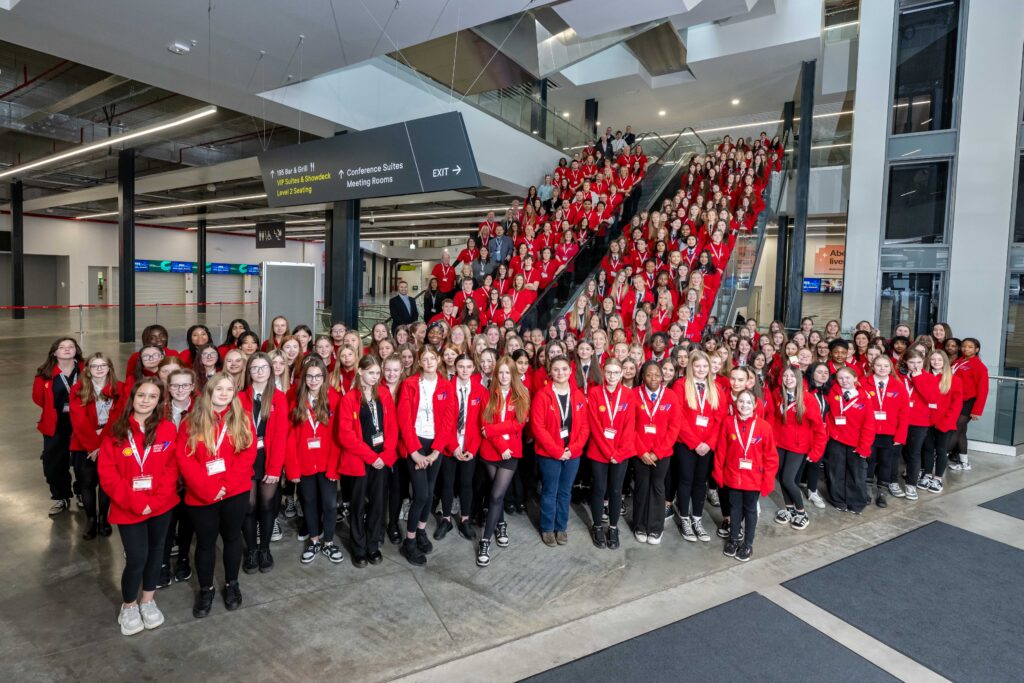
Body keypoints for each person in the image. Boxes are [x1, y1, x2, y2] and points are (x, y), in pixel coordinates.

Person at [97, 377, 179, 636]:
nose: (146, 400)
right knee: (136, 558)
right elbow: (108, 474)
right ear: (132, 397)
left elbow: (171, 468)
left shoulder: (167, 429)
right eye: (142, 395)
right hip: (127, 506)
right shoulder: (116, 430)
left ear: (159, 401)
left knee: (156, 553)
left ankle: (148, 600)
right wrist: (137, 502)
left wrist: (154, 501)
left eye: (152, 396)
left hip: (161, 505)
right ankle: (129, 605)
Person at [176, 372, 257, 618]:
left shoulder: (242, 419)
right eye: (219, 389)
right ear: (209, 392)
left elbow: (247, 454)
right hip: (202, 494)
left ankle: (232, 584)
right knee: (205, 543)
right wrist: (208, 488)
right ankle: (206, 589)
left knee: (232, 538)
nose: (224, 393)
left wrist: (226, 485)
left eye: (229, 390)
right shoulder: (190, 422)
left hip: (235, 492)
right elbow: (184, 458)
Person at [397, 346, 457, 566]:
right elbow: (403, 420)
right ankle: (409, 542)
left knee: (430, 491)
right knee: (420, 495)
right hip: (415, 442)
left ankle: (421, 531)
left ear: (438, 359)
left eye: (433, 358)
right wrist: (414, 452)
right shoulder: (409, 384)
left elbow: (449, 420)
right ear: (419, 362)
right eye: (425, 358)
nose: (430, 361)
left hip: (435, 444)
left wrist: (437, 450)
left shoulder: (446, 386)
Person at [337, 355, 399, 568]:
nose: (375, 377)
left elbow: (392, 426)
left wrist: (386, 455)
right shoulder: (349, 399)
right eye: (371, 373)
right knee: (357, 506)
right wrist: (372, 457)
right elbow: (346, 436)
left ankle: (373, 545)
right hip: (360, 460)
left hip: (382, 459)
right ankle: (359, 547)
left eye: (377, 373)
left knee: (378, 504)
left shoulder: (383, 393)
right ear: (360, 372)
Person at [285, 359, 345, 565]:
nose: (313, 380)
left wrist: (333, 466)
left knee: (329, 504)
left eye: (317, 376)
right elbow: (290, 438)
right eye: (309, 376)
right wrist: (292, 468)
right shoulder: (296, 400)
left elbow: (339, 436)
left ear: (324, 378)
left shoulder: (334, 399)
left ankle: (328, 542)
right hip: (304, 464)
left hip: (327, 464)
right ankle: (314, 540)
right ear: (304, 378)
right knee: (308, 503)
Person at [476, 356, 529, 567]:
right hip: (491, 451)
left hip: (511, 454)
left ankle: (485, 541)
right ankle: (501, 523)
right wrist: (500, 443)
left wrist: (491, 431)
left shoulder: (522, 394)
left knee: (497, 495)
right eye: (501, 372)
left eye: (508, 372)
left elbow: (518, 424)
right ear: (496, 374)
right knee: (494, 494)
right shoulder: (488, 394)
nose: (504, 376)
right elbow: (484, 422)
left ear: (513, 374)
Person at [532, 356, 590, 547]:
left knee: (565, 492)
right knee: (550, 491)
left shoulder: (578, 396)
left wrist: (572, 449)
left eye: (564, 369)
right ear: (550, 372)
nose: (560, 373)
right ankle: (547, 528)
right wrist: (557, 451)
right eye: (556, 369)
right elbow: (538, 427)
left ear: (570, 371)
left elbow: (585, 428)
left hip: (572, 454)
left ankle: (561, 527)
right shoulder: (542, 395)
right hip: (550, 454)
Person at [238, 353, 289, 574]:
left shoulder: (279, 397)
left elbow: (280, 435)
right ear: (248, 372)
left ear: (271, 371)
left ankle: (265, 549)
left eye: (263, 368)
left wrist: (275, 468)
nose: (259, 372)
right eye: (255, 368)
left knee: (267, 505)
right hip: (246, 460)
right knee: (248, 507)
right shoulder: (239, 397)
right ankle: (251, 550)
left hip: (269, 458)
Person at [714, 389, 778, 562]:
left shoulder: (763, 427)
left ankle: (748, 544)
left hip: (754, 479)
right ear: (736, 403)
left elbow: (771, 457)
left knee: (750, 511)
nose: (744, 405)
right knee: (734, 509)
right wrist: (719, 474)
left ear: (755, 405)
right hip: (733, 477)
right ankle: (733, 539)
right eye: (741, 401)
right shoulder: (728, 423)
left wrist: (767, 482)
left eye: (748, 402)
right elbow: (721, 451)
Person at [69, 352, 120, 539]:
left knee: (106, 484)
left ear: (109, 368)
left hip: (110, 442)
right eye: (94, 366)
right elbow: (79, 420)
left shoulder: (119, 388)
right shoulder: (77, 389)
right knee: (87, 483)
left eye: (103, 365)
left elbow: (118, 418)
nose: (99, 369)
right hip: (84, 443)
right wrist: (92, 446)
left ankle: (103, 518)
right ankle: (90, 519)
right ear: (88, 370)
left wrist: (102, 446)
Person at [673, 350, 723, 543]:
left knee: (700, 482)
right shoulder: (680, 386)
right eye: (697, 366)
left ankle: (697, 519)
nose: (701, 369)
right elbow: (679, 418)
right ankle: (685, 518)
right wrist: (695, 443)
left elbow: (719, 419)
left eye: (705, 366)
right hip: (686, 444)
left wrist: (708, 443)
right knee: (686, 480)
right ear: (690, 367)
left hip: (707, 445)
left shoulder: (716, 388)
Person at [586, 359, 636, 549]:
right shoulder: (595, 393)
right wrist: (609, 452)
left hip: (621, 453)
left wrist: (619, 452)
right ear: (603, 373)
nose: (612, 376)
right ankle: (598, 526)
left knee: (616, 490)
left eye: (616, 372)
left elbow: (629, 426)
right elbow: (595, 426)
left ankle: (613, 527)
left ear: (622, 373)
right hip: (599, 451)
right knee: (599, 489)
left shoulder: (629, 395)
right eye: (609, 372)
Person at [631, 361, 682, 545]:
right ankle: (640, 525)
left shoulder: (670, 396)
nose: (653, 378)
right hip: (640, 453)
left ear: (662, 377)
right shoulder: (634, 395)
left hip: (662, 453)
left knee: (658, 488)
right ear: (642, 376)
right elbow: (630, 426)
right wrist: (642, 451)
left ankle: (655, 528)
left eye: (657, 375)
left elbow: (674, 427)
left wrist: (658, 453)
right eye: (649, 374)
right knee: (642, 487)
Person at [436, 354, 484, 544]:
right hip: (450, 445)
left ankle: (465, 519)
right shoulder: (446, 389)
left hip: (469, 446)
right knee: (447, 482)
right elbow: (442, 422)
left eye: (468, 366)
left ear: (474, 368)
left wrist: (472, 448)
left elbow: (481, 422)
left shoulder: (480, 391)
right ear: (455, 368)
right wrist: (453, 446)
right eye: (461, 366)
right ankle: (446, 518)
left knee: (466, 483)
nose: (464, 370)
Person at [769, 367, 826, 530]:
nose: (788, 379)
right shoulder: (777, 395)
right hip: (780, 444)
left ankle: (801, 512)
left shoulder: (807, 399)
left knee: (789, 479)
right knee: (781, 478)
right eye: (785, 375)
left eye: (792, 376)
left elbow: (819, 429)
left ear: (799, 379)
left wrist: (816, 452)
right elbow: (775, 420)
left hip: (798, 446)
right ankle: (789, 509)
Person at [33, 336, 83, 516]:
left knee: (82, 463)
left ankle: (81, 492)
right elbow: (38, 398)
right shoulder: (44, 374)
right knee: (53, 463)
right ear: (55, 352)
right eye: (62, 347)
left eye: (71, 346)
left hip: (81, 425)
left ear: (76, 350)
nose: (67, 349)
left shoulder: (86, 370)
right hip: (55, 425)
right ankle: (60, 496)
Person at [823, 367, 876, 514]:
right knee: (835, 472)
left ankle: (856, 502)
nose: (844, 381)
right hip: (836, 440)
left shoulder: (864, 397)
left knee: (856, 474)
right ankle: (838, 500)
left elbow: (869, 424)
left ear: (855, 378)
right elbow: (827, 414)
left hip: (856, 442)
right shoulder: (833, 392)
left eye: (847, 378)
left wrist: (864, 446)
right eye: (840, 378)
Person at [866, 356, 909, 508]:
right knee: (869, 461)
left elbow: (904, 414)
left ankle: (882, 491)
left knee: (886, 463)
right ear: (873, 366)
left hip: (890, 433)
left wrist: (900, 435)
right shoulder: (863, 384)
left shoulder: (898, 386)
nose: (882, 368)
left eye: (886, 366)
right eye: (878, 365)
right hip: (869, 432)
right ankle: (867, 489)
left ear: (891, 368)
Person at [920, 350, 963, 494]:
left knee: (941, 450)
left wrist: (945, 422)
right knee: (927, 450)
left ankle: (937, 478)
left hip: (944, 422)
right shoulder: (924, 377)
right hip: (926, 421)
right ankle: (926, 475)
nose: (936, 362)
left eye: (939, 360)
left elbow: (956, 405)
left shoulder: (953, 380)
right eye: (933, 360)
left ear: (944, 361)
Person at [948, 337, 988, 472]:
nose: (966, 349)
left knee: (954, 429)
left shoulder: (978, 366)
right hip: (956, 401)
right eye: (964, 346)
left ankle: (940, 456)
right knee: (961, 432)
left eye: (970, 347)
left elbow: (983, 390)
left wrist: (977, 410)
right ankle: (964, 463)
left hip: (968, 403)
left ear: (977, 350)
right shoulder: (959, 361)